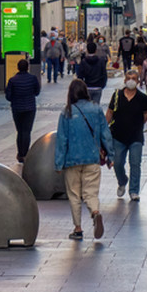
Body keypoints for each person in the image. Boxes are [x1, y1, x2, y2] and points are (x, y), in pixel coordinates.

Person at [54, 79, 113, 241]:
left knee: (74, 194)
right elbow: (105, 134)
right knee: (91, 192)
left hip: (72, 160)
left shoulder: (66, 112)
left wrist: (59, 162)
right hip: (92, 158)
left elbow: (62, 139)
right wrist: (111, 156)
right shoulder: (96, 109)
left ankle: (78, 228)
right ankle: (95, 212)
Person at [106, 69, 147, 202]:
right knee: (118, 163)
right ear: (125, 80)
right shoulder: (117, 95)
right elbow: (110, 112)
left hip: (136, 136)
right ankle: (122, 181)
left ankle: (134, 191)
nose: (131, 80)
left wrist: (138, 125)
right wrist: (104, 129)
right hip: (118, 135)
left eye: (134, 78)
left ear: (138, 81)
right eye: (128, 78)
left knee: (135, 163)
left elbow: (146, 114)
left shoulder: (143, 98)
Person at [5, 58, 41, 162]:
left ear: (18, 68)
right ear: (27, 67)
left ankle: (20, 153)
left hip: (17, 108)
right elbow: (37, 92)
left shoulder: (12, 80)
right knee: (27, 131)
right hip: (30, 108)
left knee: (19, 131)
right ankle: (25, 153)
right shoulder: (33, 79)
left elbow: (8, 96)